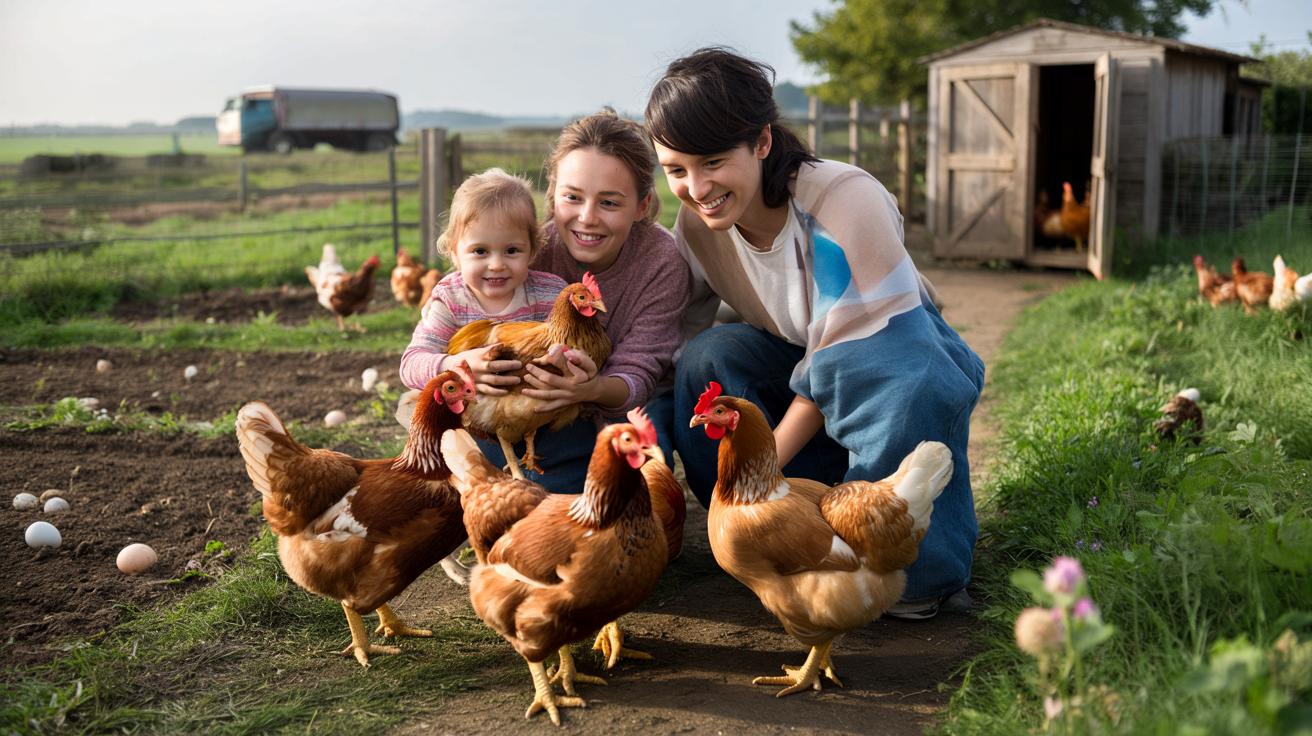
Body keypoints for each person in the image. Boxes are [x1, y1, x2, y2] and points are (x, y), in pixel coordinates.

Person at [645, 48, 984, 618]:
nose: (697, 187)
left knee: (903, 377)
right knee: (708, 358)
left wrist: (760, 468)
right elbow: (673, 338)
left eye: (712, 162)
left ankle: (920, 572)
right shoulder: (698, 227)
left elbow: (846, 354)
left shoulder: (841, 199)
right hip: (807, 374)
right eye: (676, 169)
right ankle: (777, 543)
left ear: (761, 142)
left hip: (891, 357)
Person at [398, 167, 567, 405]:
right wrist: (455, 366)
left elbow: (576, 346)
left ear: (532, 251)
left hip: (534, 411)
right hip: (470, 414)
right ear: (454, 253)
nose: (496, 265)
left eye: (511, 250)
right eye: (480, 251)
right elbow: (411, 364)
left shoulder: (550, 294)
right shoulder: (451, 301)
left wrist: (564, 357)